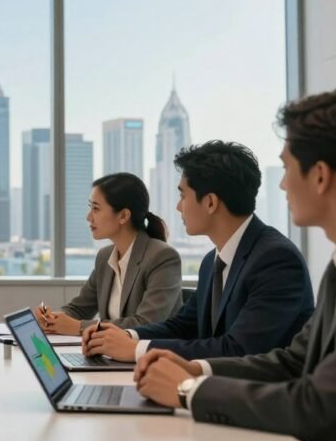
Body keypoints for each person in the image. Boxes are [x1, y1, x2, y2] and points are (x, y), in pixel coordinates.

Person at [134, 89, 336, 441]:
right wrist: (195, 367)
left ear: (321, 176)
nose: (281, 184)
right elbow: (293, 361)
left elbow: (319, 405)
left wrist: (187, 390)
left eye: (288, 167)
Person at [83, 141, 313, 361]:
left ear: (210, 202)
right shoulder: (212, 261)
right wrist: (128, 336)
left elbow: (239, 349)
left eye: (183, 195)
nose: (178, 206)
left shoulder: (276, 260)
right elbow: (183, 325)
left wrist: (136, 349)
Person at [34, 173, 182, 335]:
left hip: (151, 356)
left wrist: (78, 327)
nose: (88, 217)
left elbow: (146, 323)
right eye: (90, 207)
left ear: (123, 216)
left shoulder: (162, 257)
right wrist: (52, 318)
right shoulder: (105, 257)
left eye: (96, 209)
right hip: (112, 356)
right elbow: (79, 309)